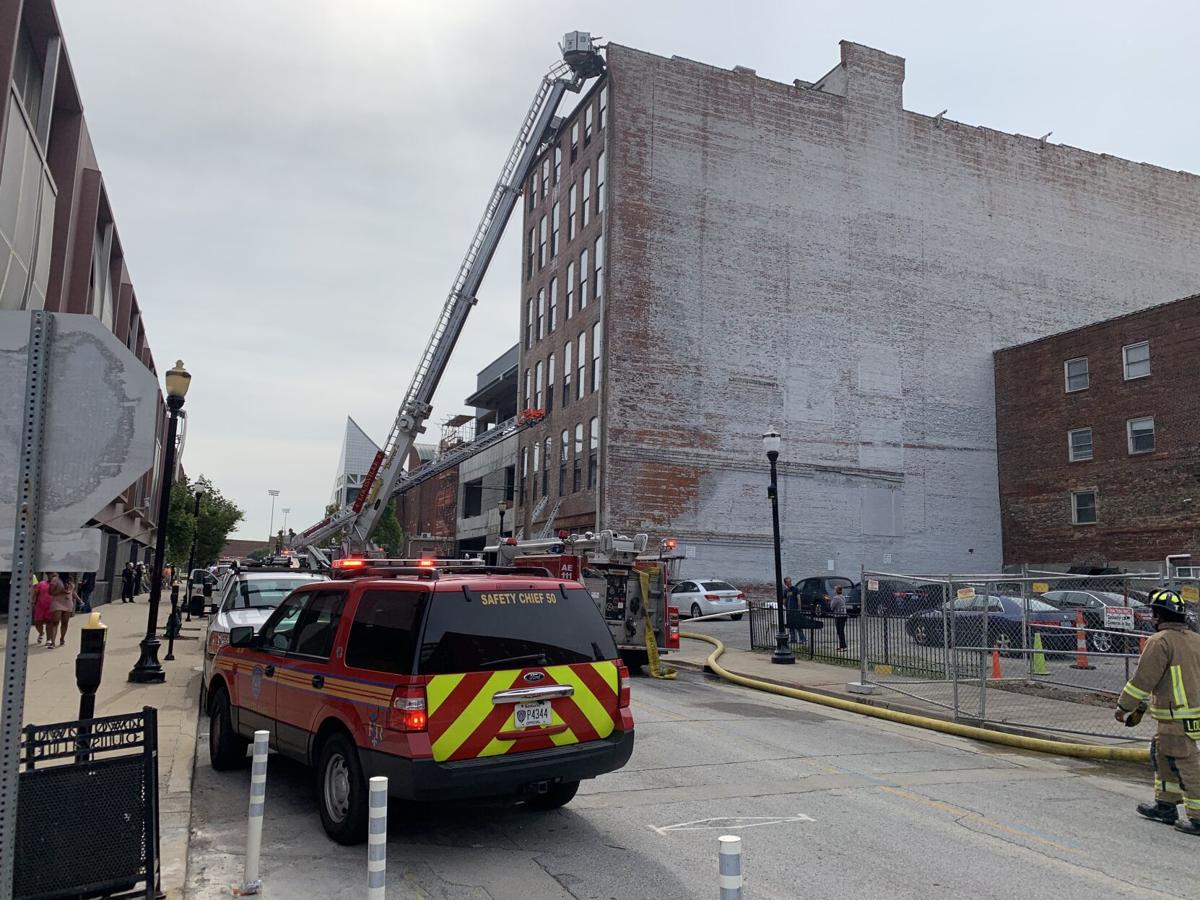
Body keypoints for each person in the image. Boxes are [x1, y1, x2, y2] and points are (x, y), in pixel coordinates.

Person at [1115, 589, 1200, 834]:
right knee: (1162, 756)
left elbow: (1143, 679)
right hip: (1189, 715)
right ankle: (1165, 805)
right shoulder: (1195, 639)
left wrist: (1124, 707)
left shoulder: (1160, 641)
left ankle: (1197, 817)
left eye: (1154, 613)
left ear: (1159, 615)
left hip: (1176, 716)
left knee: (1188, 765)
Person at [44, 572, 75, 649]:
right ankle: (53, 642)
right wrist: (59, 591)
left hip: (67, 602)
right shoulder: (55, 580)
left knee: (65, 622)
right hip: (57, 602)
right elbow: (50, 592)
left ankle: (62, 638)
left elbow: (72, 592)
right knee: (55, 622)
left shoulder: (70, 580)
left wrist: (78, 599)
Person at [783, 577, 805, 646]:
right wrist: (785, 606)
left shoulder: (795, 589)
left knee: (798, 625)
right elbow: (784, 600)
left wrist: (799, 608)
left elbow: (798, 599)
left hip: (795, 610)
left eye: (790, 582)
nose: (789, 583)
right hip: (789, 611)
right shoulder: (785, 591)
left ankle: (802, 639)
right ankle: (793, 639)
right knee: (791, 625)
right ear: (785, 583)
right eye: (787, 582)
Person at [31, 573, 51, 644]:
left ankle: (48, 639)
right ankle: (41, 633)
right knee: (37, 623)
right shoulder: (42, 583)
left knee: (49, 623)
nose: (51, 576)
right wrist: (33, 602)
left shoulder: (57, 585)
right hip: (40, 606)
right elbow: (36, 593)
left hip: (51, 607)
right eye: (50, 574)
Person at [831, 584, 849, 652]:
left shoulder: (836, 598)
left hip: (838, 616)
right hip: (843, 615)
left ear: (836, 591)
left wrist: (830, 602)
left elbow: (832, 606)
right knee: (841, 631)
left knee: (839, 631)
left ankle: (843, 646)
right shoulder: (843, 597)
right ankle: (842, 645)